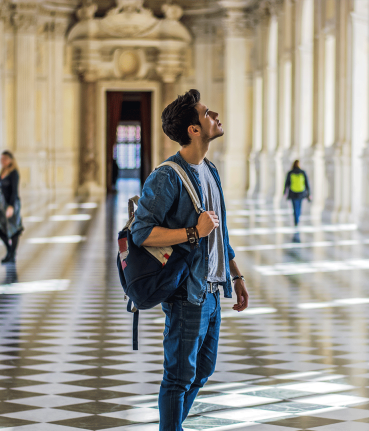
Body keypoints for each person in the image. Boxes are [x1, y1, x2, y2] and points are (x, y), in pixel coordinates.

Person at [130, 89, 249, 430]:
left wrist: (236, 276)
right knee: (179, 376)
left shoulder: (210, 169)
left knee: (202, 370)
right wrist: (192, 232)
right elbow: (142, 232)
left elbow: (220, 232)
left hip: (212, 290)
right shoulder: (167, 175)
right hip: (187, 292)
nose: (215, 116)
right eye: (208, 113)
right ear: (194, 129)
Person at [0, 151, 24, 264]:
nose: (2, 161)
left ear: (10, 160)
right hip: (1, 205)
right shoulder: (2, 171)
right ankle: (10, 251)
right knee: (0, 229)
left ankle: (12, 254)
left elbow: (14, 191)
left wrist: (11, 206)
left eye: (5, 158)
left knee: (13, 229)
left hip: (11, 204)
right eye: (1, 159)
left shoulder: (14, 173)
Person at [283, 160, 311, 226]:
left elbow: (287, 183)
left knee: (294, 207)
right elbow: (306, 183)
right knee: (299, 206)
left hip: (293, 192)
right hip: (301, 192)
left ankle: (296, 220)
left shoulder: (290, 172)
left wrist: (285, 192)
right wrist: (308, 193)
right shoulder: (303, 172)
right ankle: (298, 219)